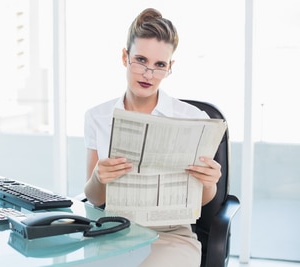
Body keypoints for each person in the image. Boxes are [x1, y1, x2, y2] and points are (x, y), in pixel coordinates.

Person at [83, 7, 222, 267]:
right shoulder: (98, 117)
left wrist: (209, 183)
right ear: (125, 57)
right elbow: (94, 197)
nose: (149, 74)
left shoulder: (192, 118)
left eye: (160, 65)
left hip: (170, 236)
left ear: (170, 67)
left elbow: (202, 201)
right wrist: (99, 177)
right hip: (114, 231)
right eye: (141, 60)